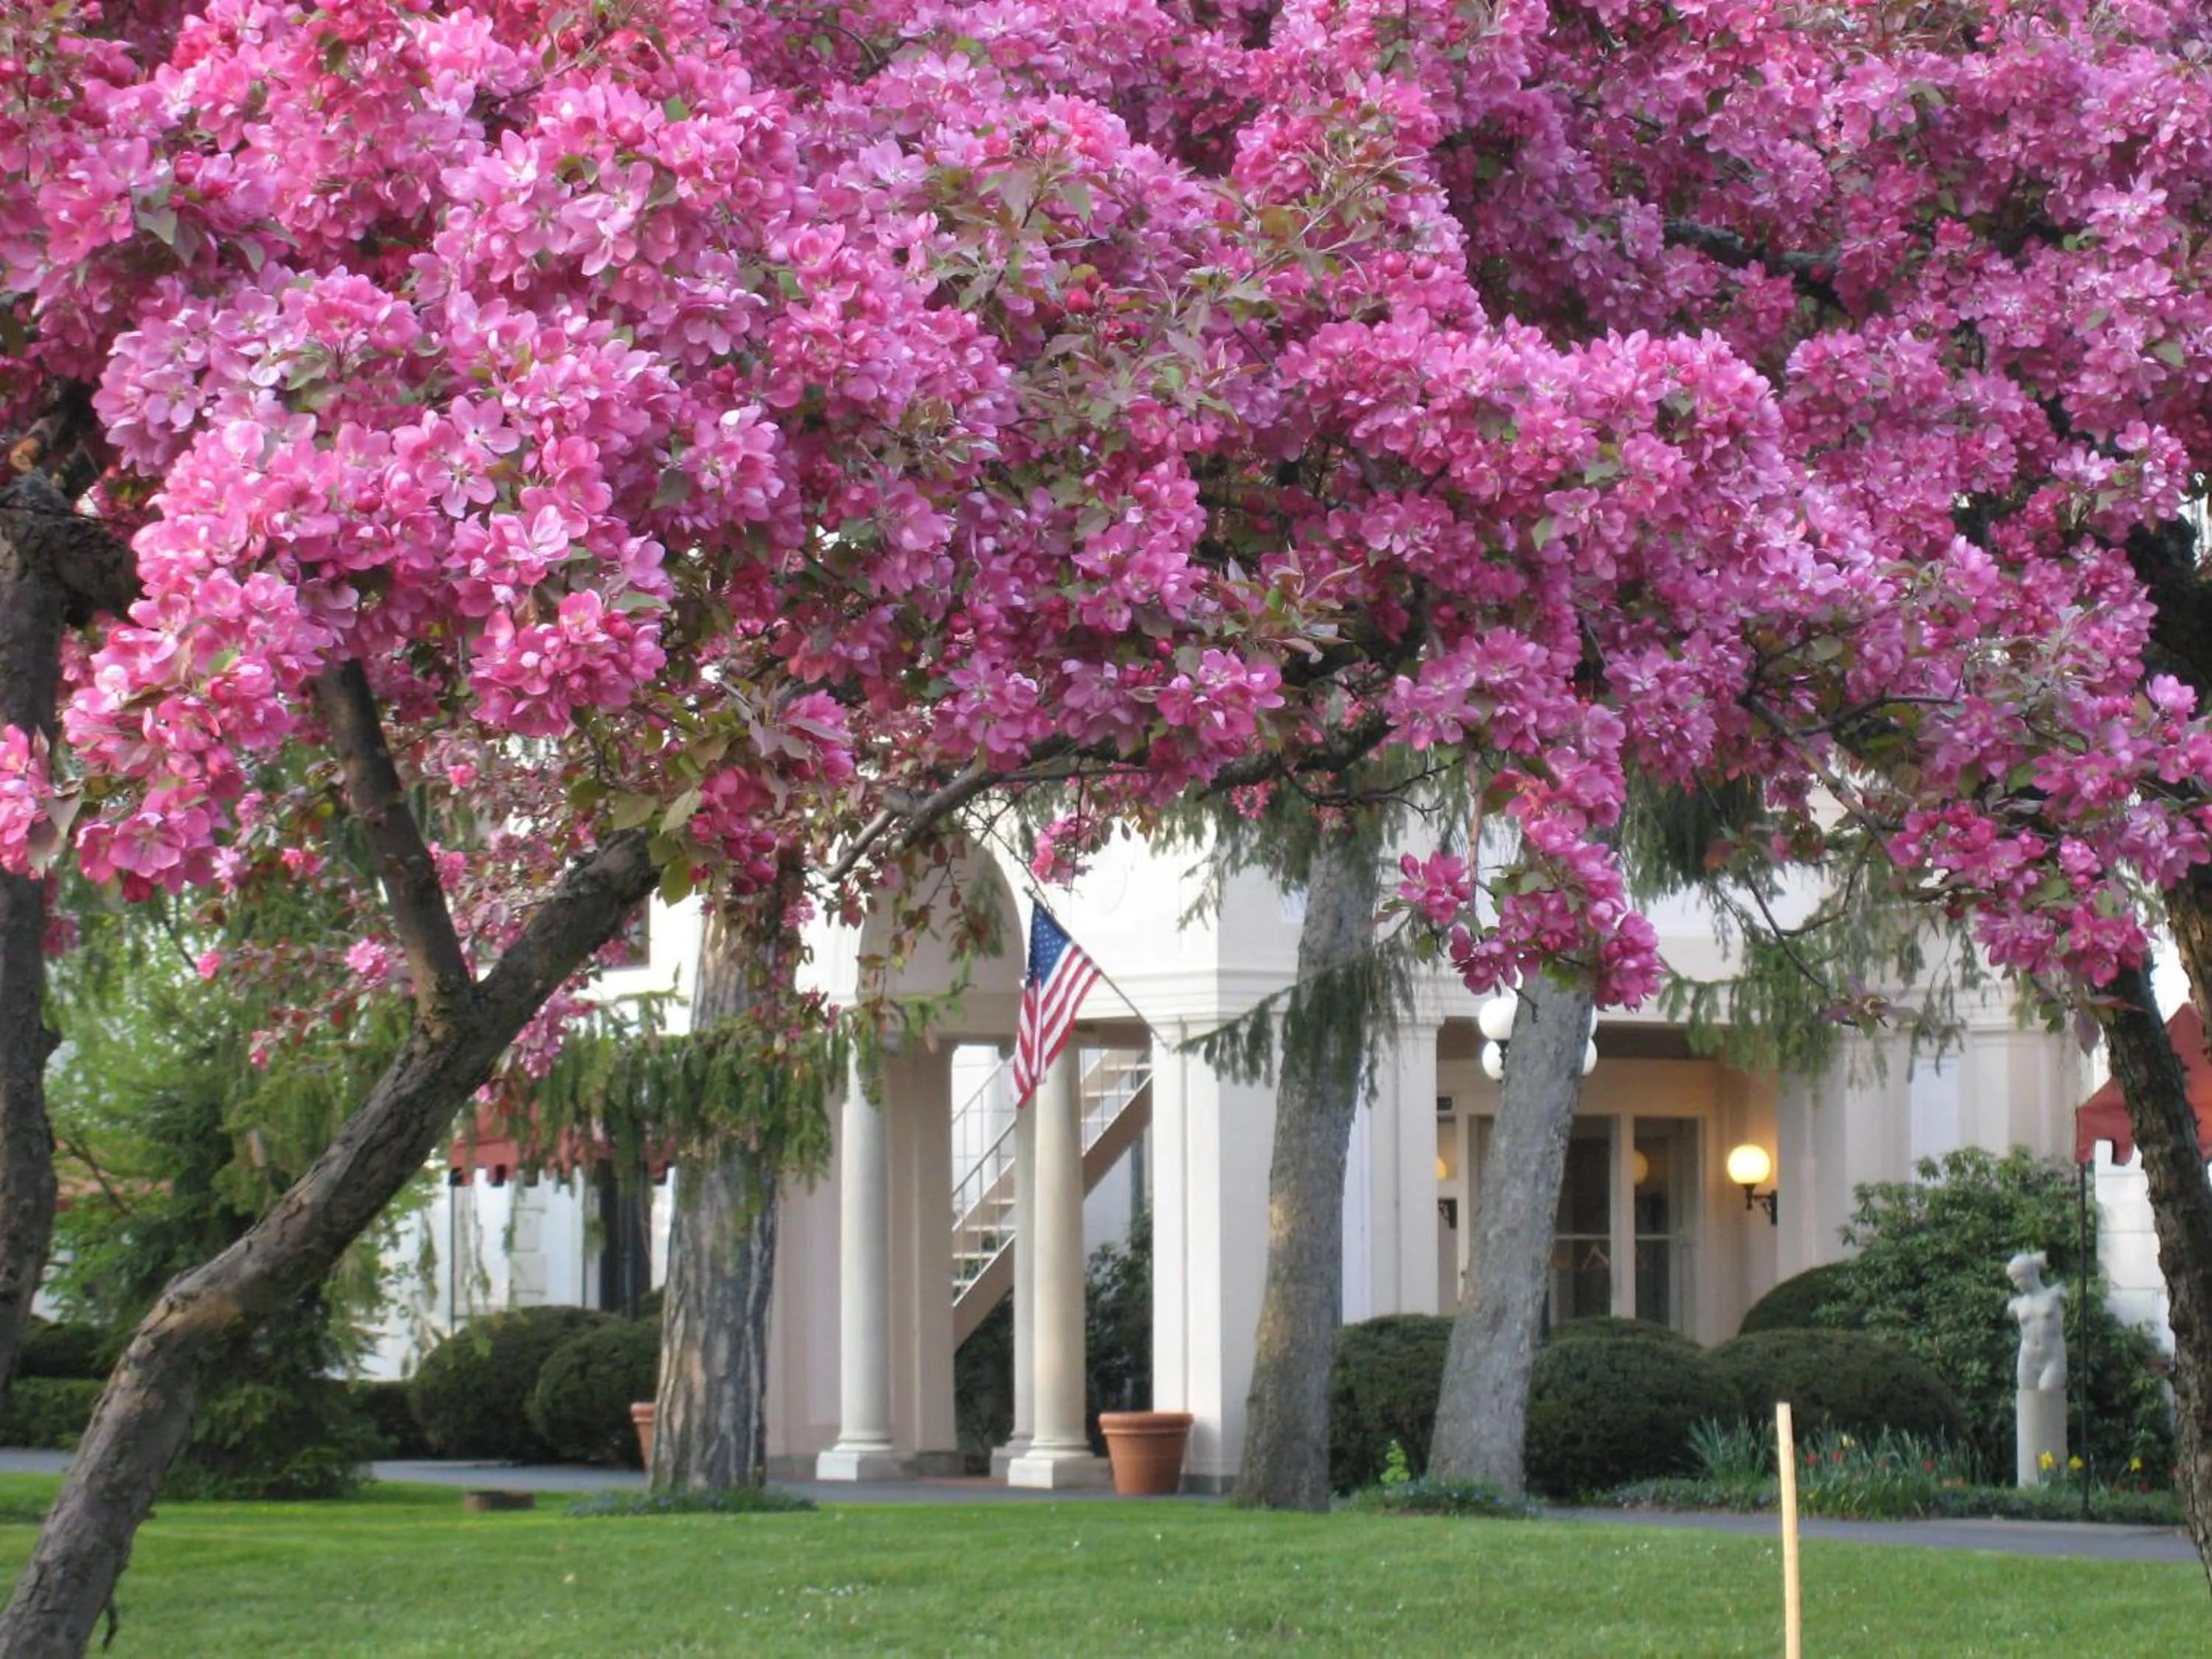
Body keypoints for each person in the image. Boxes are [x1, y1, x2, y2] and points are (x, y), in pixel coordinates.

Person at [2006, 1250, 2067, 1392]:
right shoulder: (2017, 1304)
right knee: (2026, 1397)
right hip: (2027, 1357)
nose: (2015, 1285)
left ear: (2030, 1274)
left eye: (2017, 1279)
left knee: (2047, 1396)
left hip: (2052, 1356)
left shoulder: (2054, 1295)